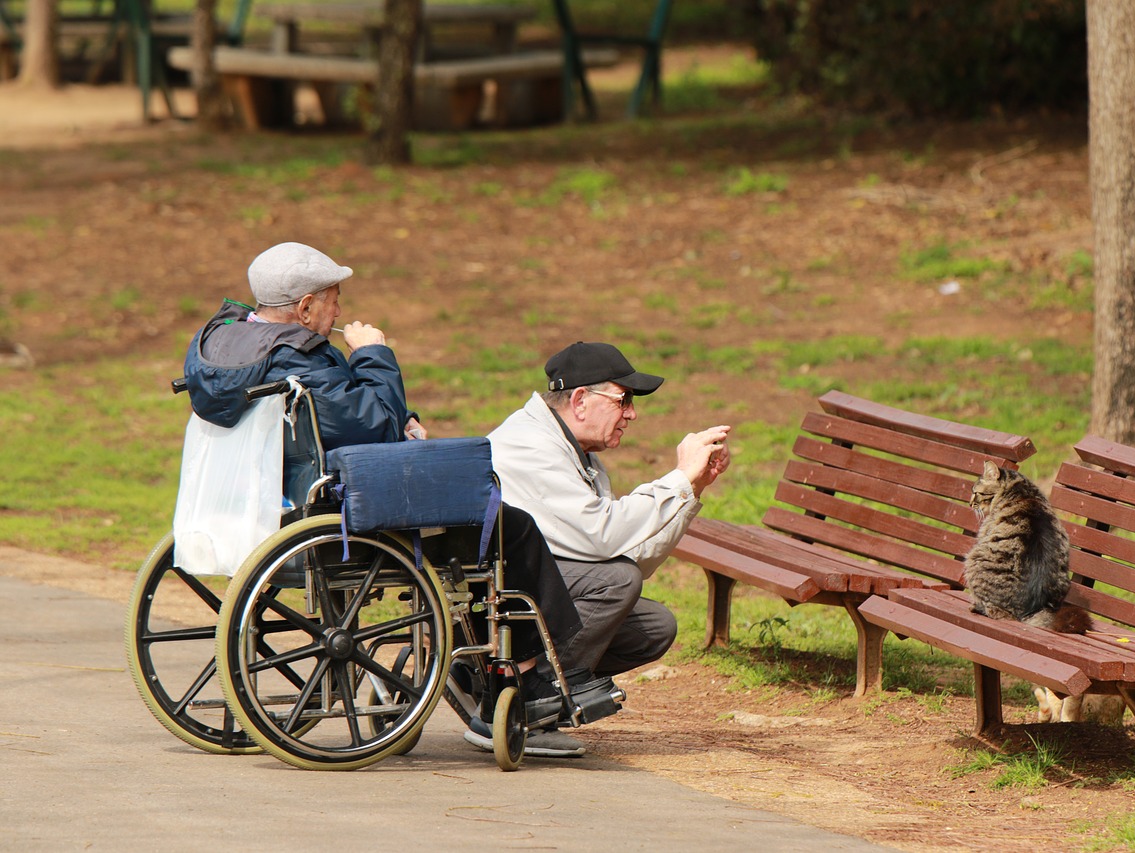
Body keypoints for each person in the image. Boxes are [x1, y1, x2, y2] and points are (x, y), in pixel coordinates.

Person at [182, 242, 605, 757]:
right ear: (305, 306)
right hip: (341, 518)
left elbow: (350, 417)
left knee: (480, 526)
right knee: (507, 527)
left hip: (264, 510)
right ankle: (538, 678)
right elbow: (372, 423)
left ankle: (493, 674)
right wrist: (373, 354)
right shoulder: (296, 355)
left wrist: (394, 416)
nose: (339, 311)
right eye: (334, 300)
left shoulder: (227, 345)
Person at [487, 341, 731, 682]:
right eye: (624, 400)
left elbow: (633, 556)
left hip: (528, 581)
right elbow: (604, 538)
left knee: (653, 627)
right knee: (614, 582)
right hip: (492, 591)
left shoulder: (581, 453)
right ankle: (526, 694)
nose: (632, 414)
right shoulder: (532, 446)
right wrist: (679, 478)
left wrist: (693, 488)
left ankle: (533, 693)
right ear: (580, 401)